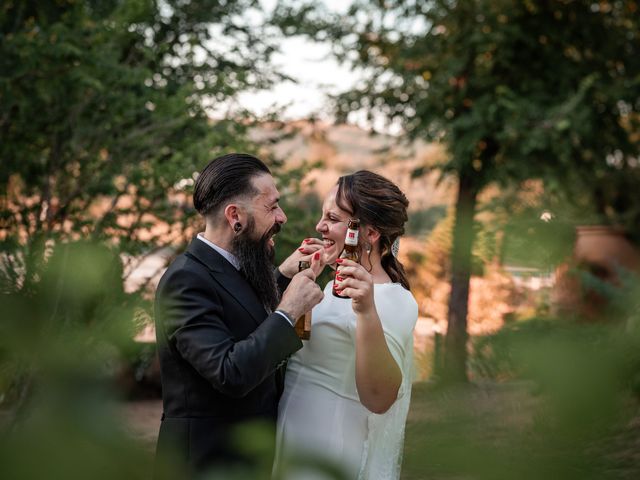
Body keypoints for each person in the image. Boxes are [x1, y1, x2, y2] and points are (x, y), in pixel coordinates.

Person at [154, 153, 324, 475]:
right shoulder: (185, 280)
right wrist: (288, 312)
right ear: (236, 216)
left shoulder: (231, 266)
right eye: (271, 206)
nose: (282, 217)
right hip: (206, 463)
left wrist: (282, 277)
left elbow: (239, 314)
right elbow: (228, 371)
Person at [274, 170, 419, 480]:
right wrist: (289, 277)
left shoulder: (394, 300)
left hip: (331, 447)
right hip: (292, 438)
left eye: (332, 218)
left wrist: (367, 311)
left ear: (369, 234)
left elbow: (380, 398)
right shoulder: (330, 287)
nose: (319, 226)